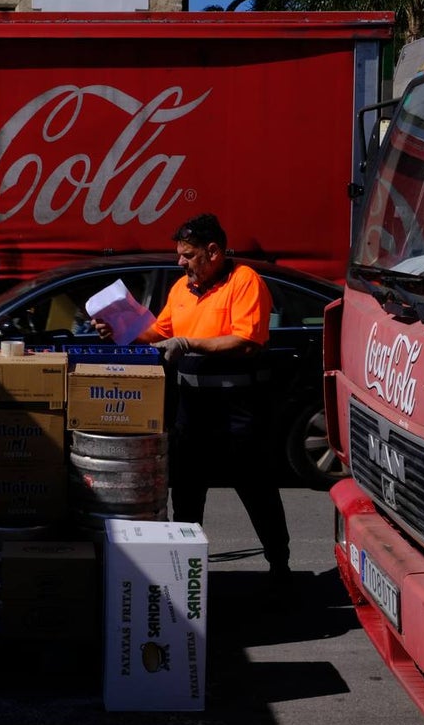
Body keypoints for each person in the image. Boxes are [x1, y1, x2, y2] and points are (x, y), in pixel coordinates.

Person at [92, 212, 292, 592]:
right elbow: (156, 334)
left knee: (255, 488)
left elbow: (245, 341)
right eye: (180, 255)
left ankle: (279, 565)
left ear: (212, 251)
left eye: (187, 255)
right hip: (193, 408)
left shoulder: (245, 282)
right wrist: (116, 328)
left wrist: (188, 344)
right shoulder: (182, 290)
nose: (180, 262)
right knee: (186, 490)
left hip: (238, 408)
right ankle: (181, 573)